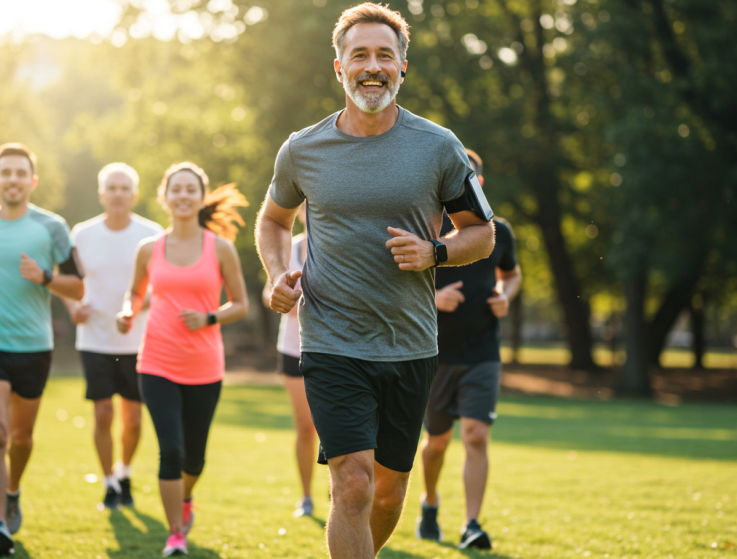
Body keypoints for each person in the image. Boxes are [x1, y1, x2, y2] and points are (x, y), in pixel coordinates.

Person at [255, 4, 496, 558]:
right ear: (338, 67)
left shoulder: (438, 146)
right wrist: (275, 275)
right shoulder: (302, 149)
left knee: (386, 494)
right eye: (358, 54)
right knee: (353, 484)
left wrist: (435, 251)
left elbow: (481, 233)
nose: (372, 66)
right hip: (331, 340)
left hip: (409, 344)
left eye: (384, 55)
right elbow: (272, 220)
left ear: (402, 67)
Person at [0, 143, 84, 557]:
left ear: (32, 181)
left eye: (20, 173)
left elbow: (78, 287)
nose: (13, 179)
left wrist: (44, 277)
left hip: (33, 346)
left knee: (21, 438)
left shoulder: (52, 227)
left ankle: (12, 490)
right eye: (5, 172)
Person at [116, 162, 248, 556]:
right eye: (176, 189)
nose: (183, 196)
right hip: (156, 362)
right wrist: (127, 311)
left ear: (201, 197)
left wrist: (209, 317)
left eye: (191, 189)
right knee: (170, 450)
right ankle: (175, 534)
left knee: (194, 458)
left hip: (204, 366)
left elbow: (240, 304)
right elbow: (135, 293)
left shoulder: (220, 248)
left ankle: (185, 497)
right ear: (165, 196)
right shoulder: (148, 249)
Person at [415, 151, 521, 549]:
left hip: (483, 352)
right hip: (434, 353)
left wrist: (505, 295)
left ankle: (471, 525)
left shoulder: (498, 232)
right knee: (437, 442)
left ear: (479, 184)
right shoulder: (427, 228)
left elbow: (512, 274)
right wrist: (434, 299)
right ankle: (429, 503)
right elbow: (396, 283)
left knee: (476, 435)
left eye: (469, 178)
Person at [61, 163, 163, 510]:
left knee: (132, 419)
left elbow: (163, 286)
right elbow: (67, 280)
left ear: (134, 195)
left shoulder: (152, 234)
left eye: (124, 188)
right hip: (95, 339)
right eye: (112, 188)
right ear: (101, 194)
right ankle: (108, 483)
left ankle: (125, 473)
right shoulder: (82, 234)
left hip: (139, 341)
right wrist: (72, 306)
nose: (118, 194)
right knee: (103, 413)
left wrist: (137, 306)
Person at [260, 203, 318, 518]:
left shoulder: (342, 250)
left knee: (334, 430)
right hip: (294, 349)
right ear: (300, 213)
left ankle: (341, 488)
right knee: (305, 428)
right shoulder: (289, 249)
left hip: (335, 349)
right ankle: (306, 497)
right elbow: (267, 292)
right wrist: (280, 296)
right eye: (306, 206)